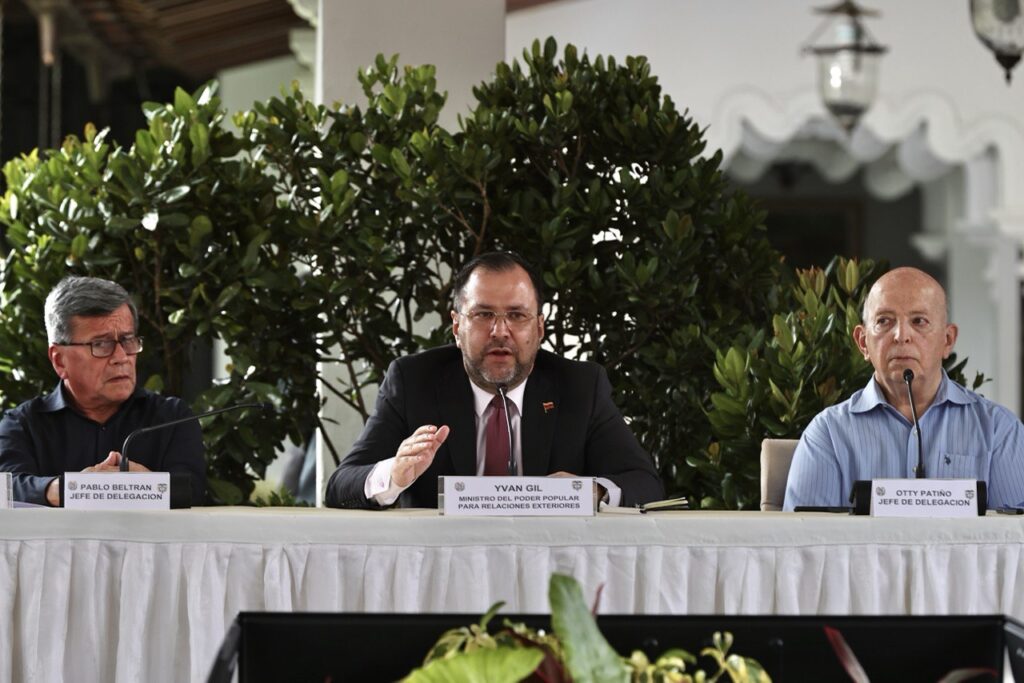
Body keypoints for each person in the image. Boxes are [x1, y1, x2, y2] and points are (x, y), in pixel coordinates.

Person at [325, 251, 664, 509]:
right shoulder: (414, 381)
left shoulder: (580, 386)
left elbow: (645, 483)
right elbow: (340, 485)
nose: (500, 331)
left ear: (539, 328)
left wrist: (592, 491)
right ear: (457, 326)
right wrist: (394, 475)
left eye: (516, 315)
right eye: (484, 314)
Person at [783, 267, 1024, 511]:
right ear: (863, 342)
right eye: (884, 321)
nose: (901, 335)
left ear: (947, 340)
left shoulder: (999, 431)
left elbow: (1014, 533)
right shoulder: (828, 434)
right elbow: (804, 534)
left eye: (919, 321)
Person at [0, 276, 207, 506]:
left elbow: (193, 492)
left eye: (127, 340)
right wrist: (73, 489)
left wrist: (145, 485)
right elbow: (8, 488)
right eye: (100, 344)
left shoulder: (173, 418)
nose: (121, 357)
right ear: (59, 360)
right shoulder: (22, 425)